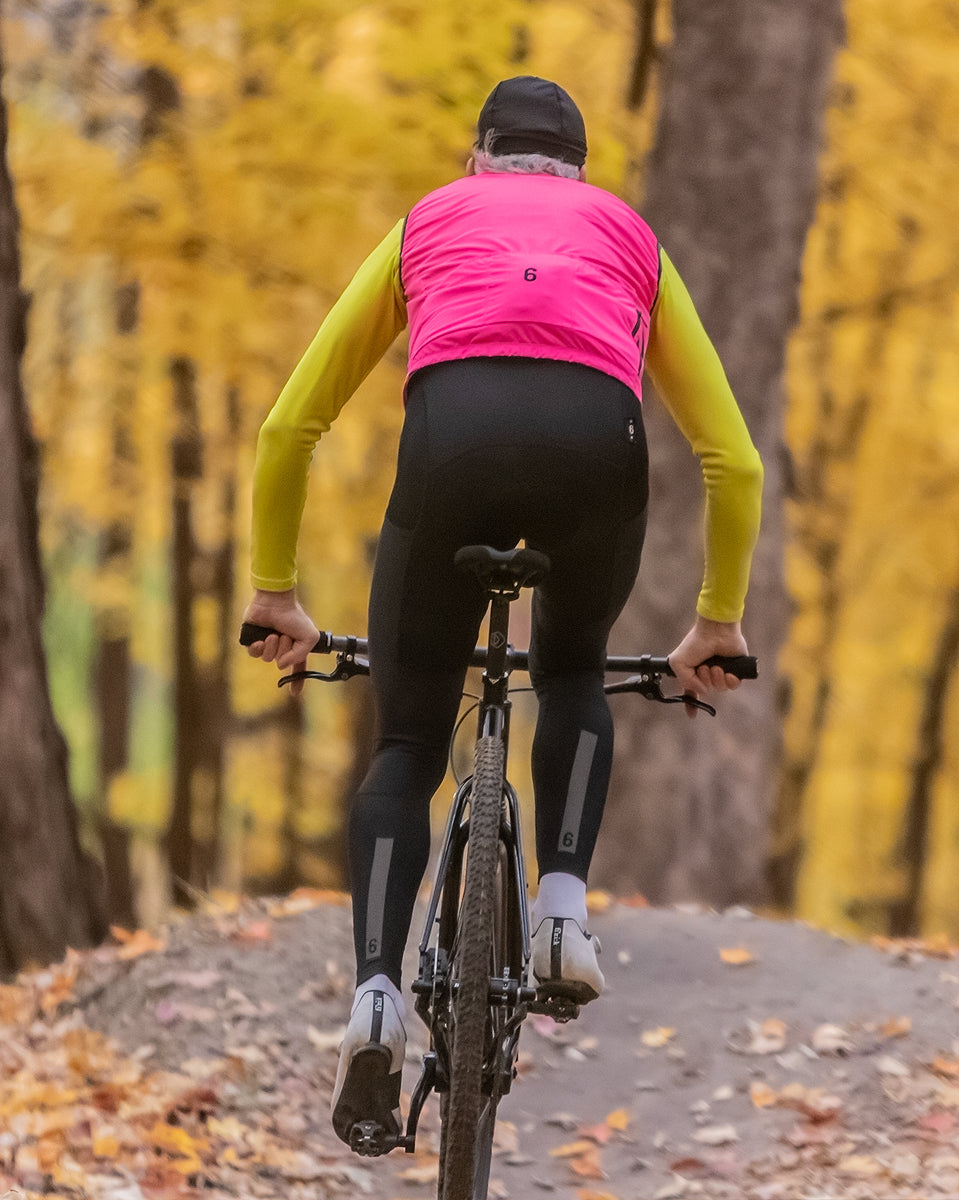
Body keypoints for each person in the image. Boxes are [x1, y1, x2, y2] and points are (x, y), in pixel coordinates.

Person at [241, 76, 763, 1150]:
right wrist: (716, 619)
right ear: (579, 171)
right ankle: (564, 909)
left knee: (404, 741)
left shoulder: (431, 220)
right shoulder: (627, 236)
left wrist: (275, 593)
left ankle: (378, 994)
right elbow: (734, 461)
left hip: (451, 448)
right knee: (570, 671)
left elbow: (290, 427)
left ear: (479, 158)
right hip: (595, 452)